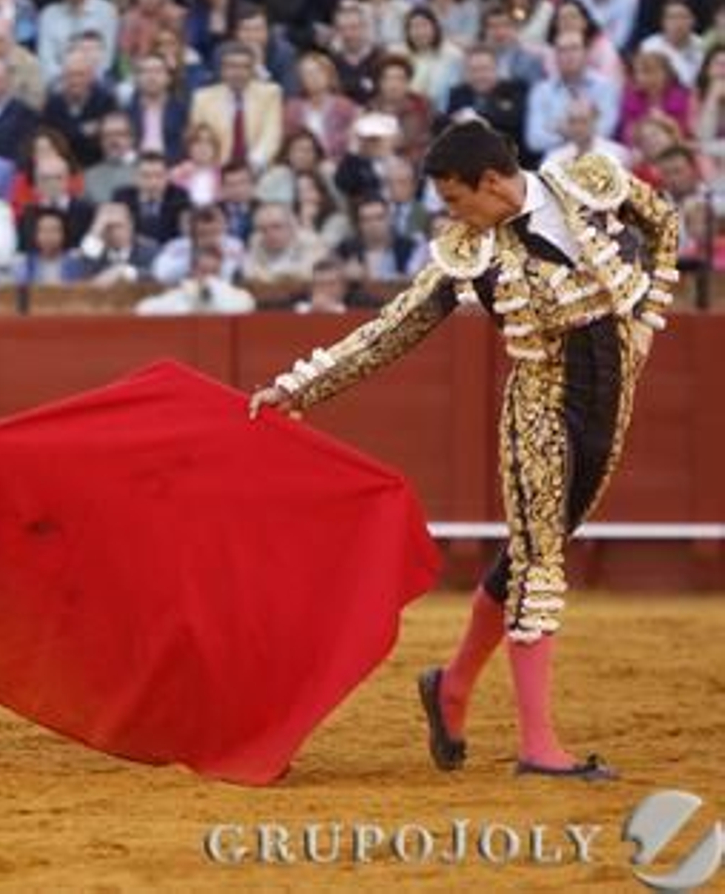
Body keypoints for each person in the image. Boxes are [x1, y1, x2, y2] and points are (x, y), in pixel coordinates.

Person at [251, 121, 681, 780]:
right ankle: (539, 747)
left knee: (529, 554)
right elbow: (390, 330)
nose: (452, 216)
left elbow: (663, 222)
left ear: (490, 182)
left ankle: (451, 686)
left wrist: (647, 321)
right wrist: (299, 385)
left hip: (608, 407)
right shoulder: (468, 253)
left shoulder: (587, 186)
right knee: (539, 565)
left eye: (456, 200)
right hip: (539, 408)